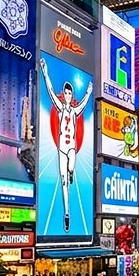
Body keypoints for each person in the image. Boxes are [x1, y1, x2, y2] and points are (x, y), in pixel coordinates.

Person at [39, 56, 93, 231]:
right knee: (63, 182)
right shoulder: (60, 108)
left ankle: (71, 173)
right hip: (61, 147)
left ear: (72, 95)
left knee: (70, 169)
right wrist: (46, 72)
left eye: (70, 93)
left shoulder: (75, 110)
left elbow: (84, 104)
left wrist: (89, 92)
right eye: (66, 93)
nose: (68, 96)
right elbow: (50, 91)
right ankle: (67, 213)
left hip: (71, 148)